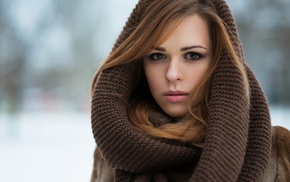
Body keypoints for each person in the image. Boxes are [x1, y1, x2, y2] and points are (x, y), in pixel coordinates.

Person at [90, 0, 290, 181]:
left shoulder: (279, 151)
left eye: (192, 56)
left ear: (220, 63)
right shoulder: (109, 155)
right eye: (157, 56)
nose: (172, 74)